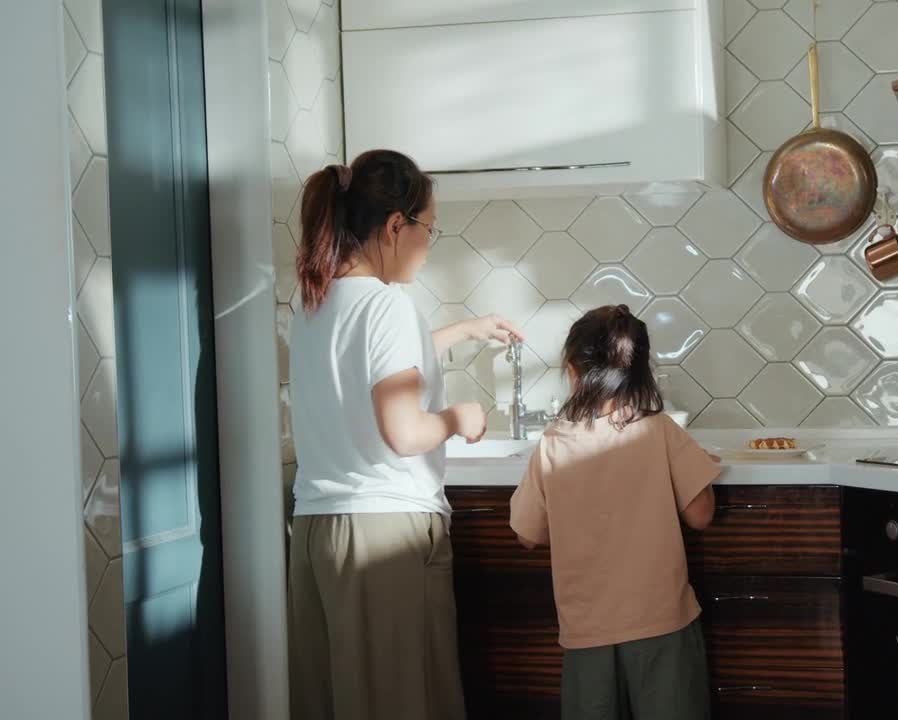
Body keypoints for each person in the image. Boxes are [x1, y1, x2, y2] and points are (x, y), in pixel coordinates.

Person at [286, 149, 522, 720]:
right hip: (384, 536)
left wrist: (461, 331)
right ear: (396, 225)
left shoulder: (314, 300)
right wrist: (457, 418)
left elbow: (368, 370)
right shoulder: (389, 306)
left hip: (319, 530)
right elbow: (403, 429)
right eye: (428, 229)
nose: (429, 243)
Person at [509, 305, 723, 720]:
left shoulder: (554, 443)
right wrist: (699, 467)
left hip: (587, 632)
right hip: (662, 624)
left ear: (572, 371)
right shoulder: (659, 430)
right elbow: (700, 514)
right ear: (642, 371)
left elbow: (527, 533)